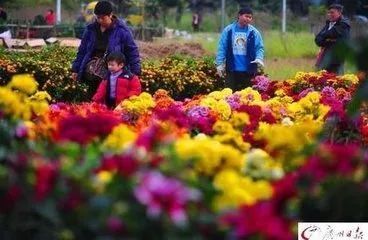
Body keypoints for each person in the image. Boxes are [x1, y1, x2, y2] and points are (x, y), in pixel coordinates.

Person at [71, 0, 141, 99]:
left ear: (111, 15)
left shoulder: (122, 31)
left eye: (103, 18)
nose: (100, 21)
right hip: (91, 72)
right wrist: (76, 69)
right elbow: (82, 51)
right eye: (97, 17)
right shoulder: (91, 29)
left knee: (109, 100)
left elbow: (132, 52)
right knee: (92, 100)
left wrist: (135, 72)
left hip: (112, 72)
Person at [216, 6, 264, 92]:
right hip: (232, 70)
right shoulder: (228, 30)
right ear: (239, 16)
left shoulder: (254, 32)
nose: (248, 19)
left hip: (248, 70)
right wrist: (219, 63)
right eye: (246, 16)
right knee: (229, 94)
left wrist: (259, 58)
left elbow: (259, 48)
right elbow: (222, 47)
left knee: (247, 97)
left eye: (250, 17)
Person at [315, 4, 350, 74]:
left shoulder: (343, 25)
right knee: (321, 79)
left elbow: (332, 36)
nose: (329, 14)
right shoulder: (328, 24)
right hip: (325, 57)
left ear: (339, 13)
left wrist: (325, 39)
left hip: (336, 59)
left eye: (332, 12)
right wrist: (328, 40)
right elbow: (318, 40)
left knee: (336, 81)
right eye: (329, 12)